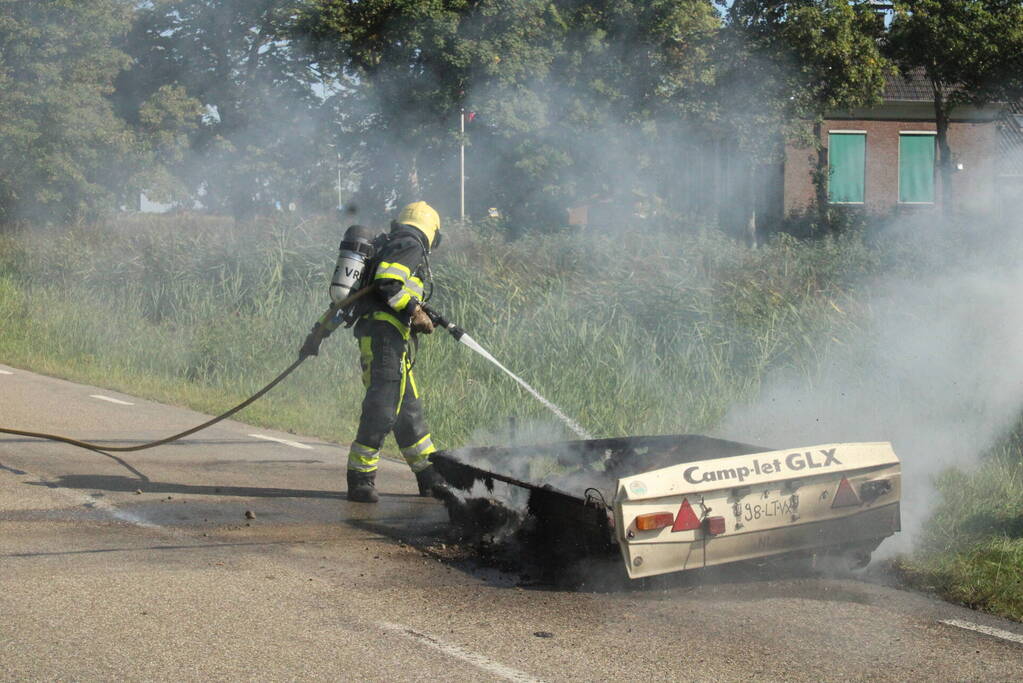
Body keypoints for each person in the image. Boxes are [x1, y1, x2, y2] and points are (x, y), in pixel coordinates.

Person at [300, 201, 447, 503]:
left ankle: (429, 475)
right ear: (432, 232)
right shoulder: (410, 244)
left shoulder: (389, 246)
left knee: (408, 413)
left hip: (388, 340)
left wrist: (318, 334)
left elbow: (348, 301)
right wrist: (415, 311)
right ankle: (360, 479)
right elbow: (387, 284)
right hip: (384, 340)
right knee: (382, 409)